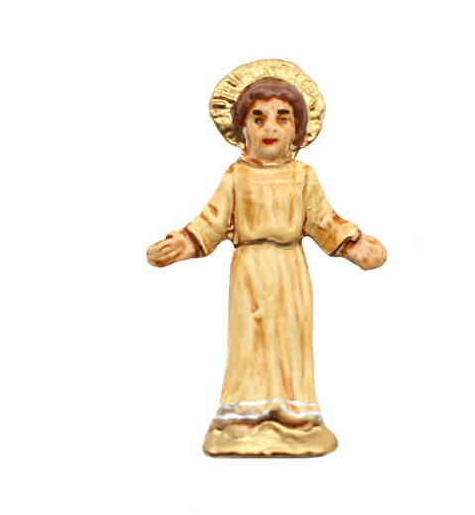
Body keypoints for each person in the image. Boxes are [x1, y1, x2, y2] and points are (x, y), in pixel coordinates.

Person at [147, 61, 386, 456]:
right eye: (258, 118)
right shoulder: (236, 176)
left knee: (290, 340)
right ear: (243, 128)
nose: (269, 128)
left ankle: (296, 415)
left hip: (290, 272)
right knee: (249, 342)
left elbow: (323, 221)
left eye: (282, 117)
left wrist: (354, 243)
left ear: (297, 130)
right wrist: (183, 244)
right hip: (250, 271)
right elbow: (211, 223)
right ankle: (242, 416)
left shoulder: (303, 177)